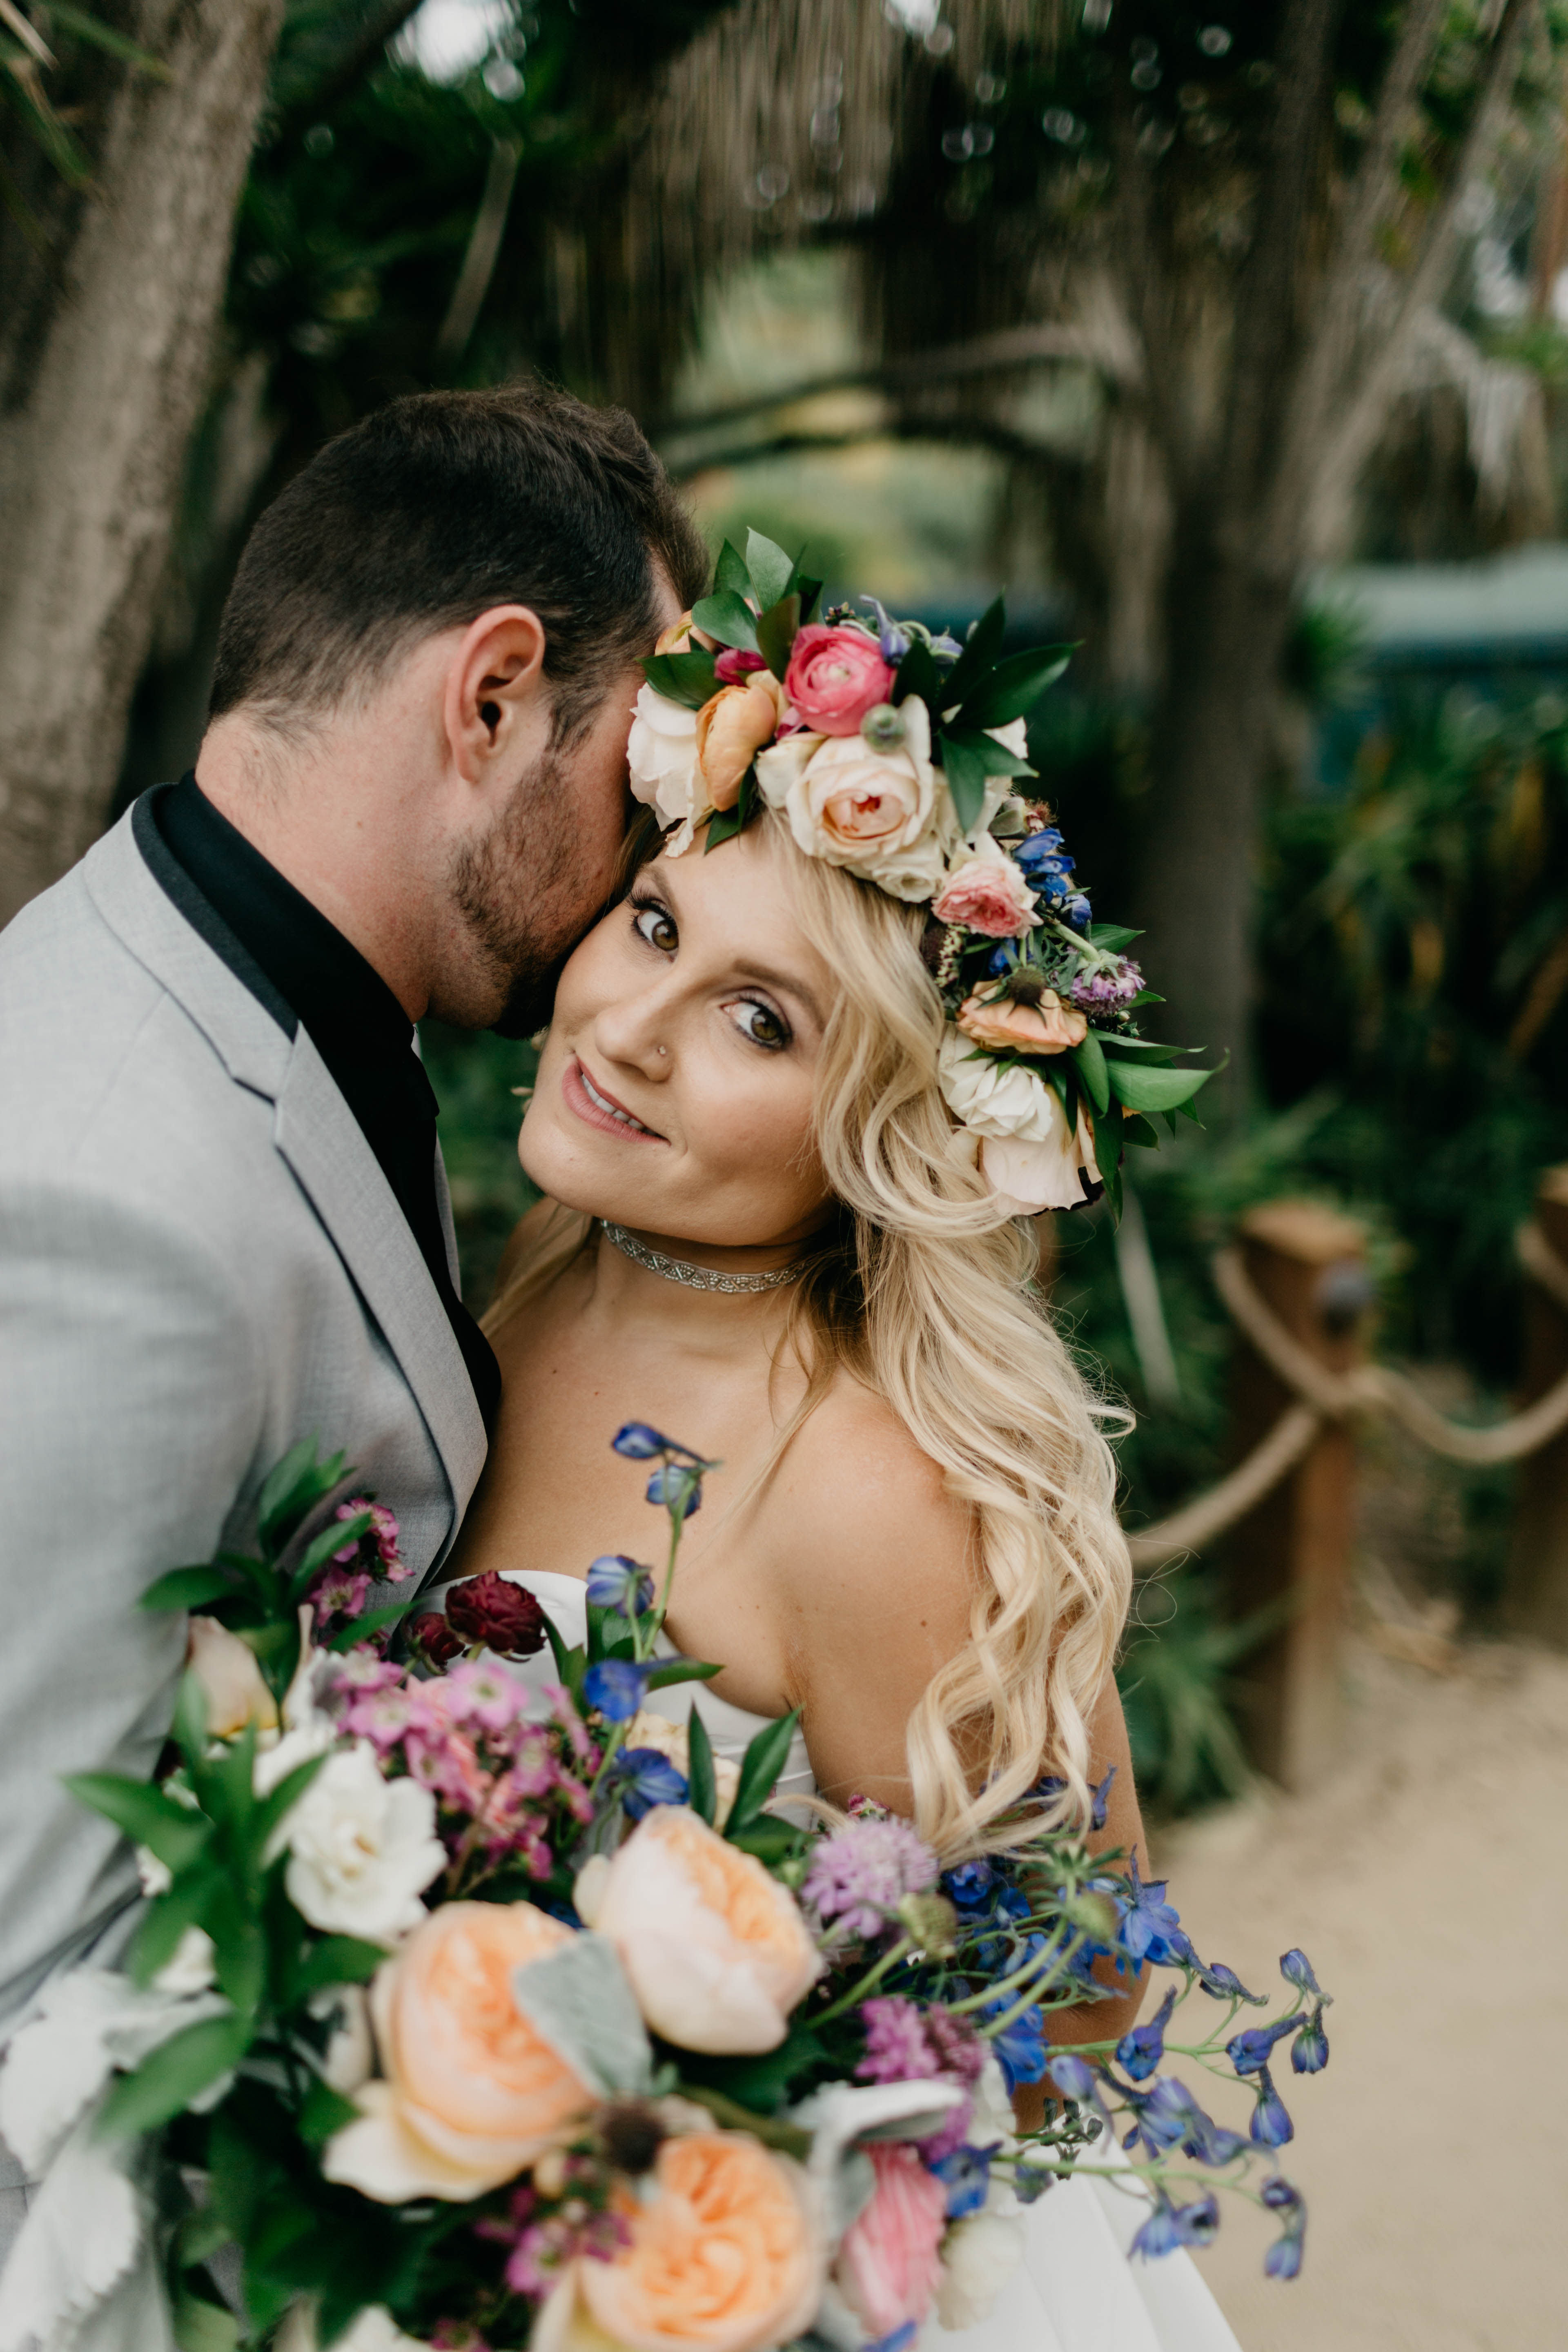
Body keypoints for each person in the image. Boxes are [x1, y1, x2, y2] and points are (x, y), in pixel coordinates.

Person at [0, 383, 707, 2230]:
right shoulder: (108, 1204)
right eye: (636, 776)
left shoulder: (234, 990)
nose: (648, 861)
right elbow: (32, 1977)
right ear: (490, 696)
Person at [443, 800, 1242, 2352]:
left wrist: (715, 2131)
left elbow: (1072, 1989)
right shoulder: (538, 1284)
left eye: (761, 1019)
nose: (633, 1027)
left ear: (882, 1123)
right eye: (656, 923)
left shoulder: (867, 1486)